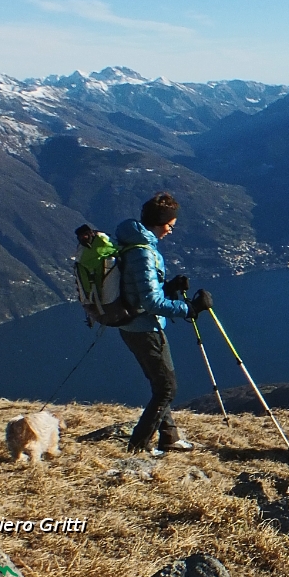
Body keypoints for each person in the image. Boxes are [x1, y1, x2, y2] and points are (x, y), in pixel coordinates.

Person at [115, 192, 213, 455]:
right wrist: (190, 309)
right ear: (159, 222)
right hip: (145, 329)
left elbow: (141, 290)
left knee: (160, 386)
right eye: (170, 225)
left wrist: (169, 287)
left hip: (132, 326)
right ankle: (138, 447)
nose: (171, 230)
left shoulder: (131, 243)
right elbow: (150, 303)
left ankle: (169, 437)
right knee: (167, 389)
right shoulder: (143, 253)